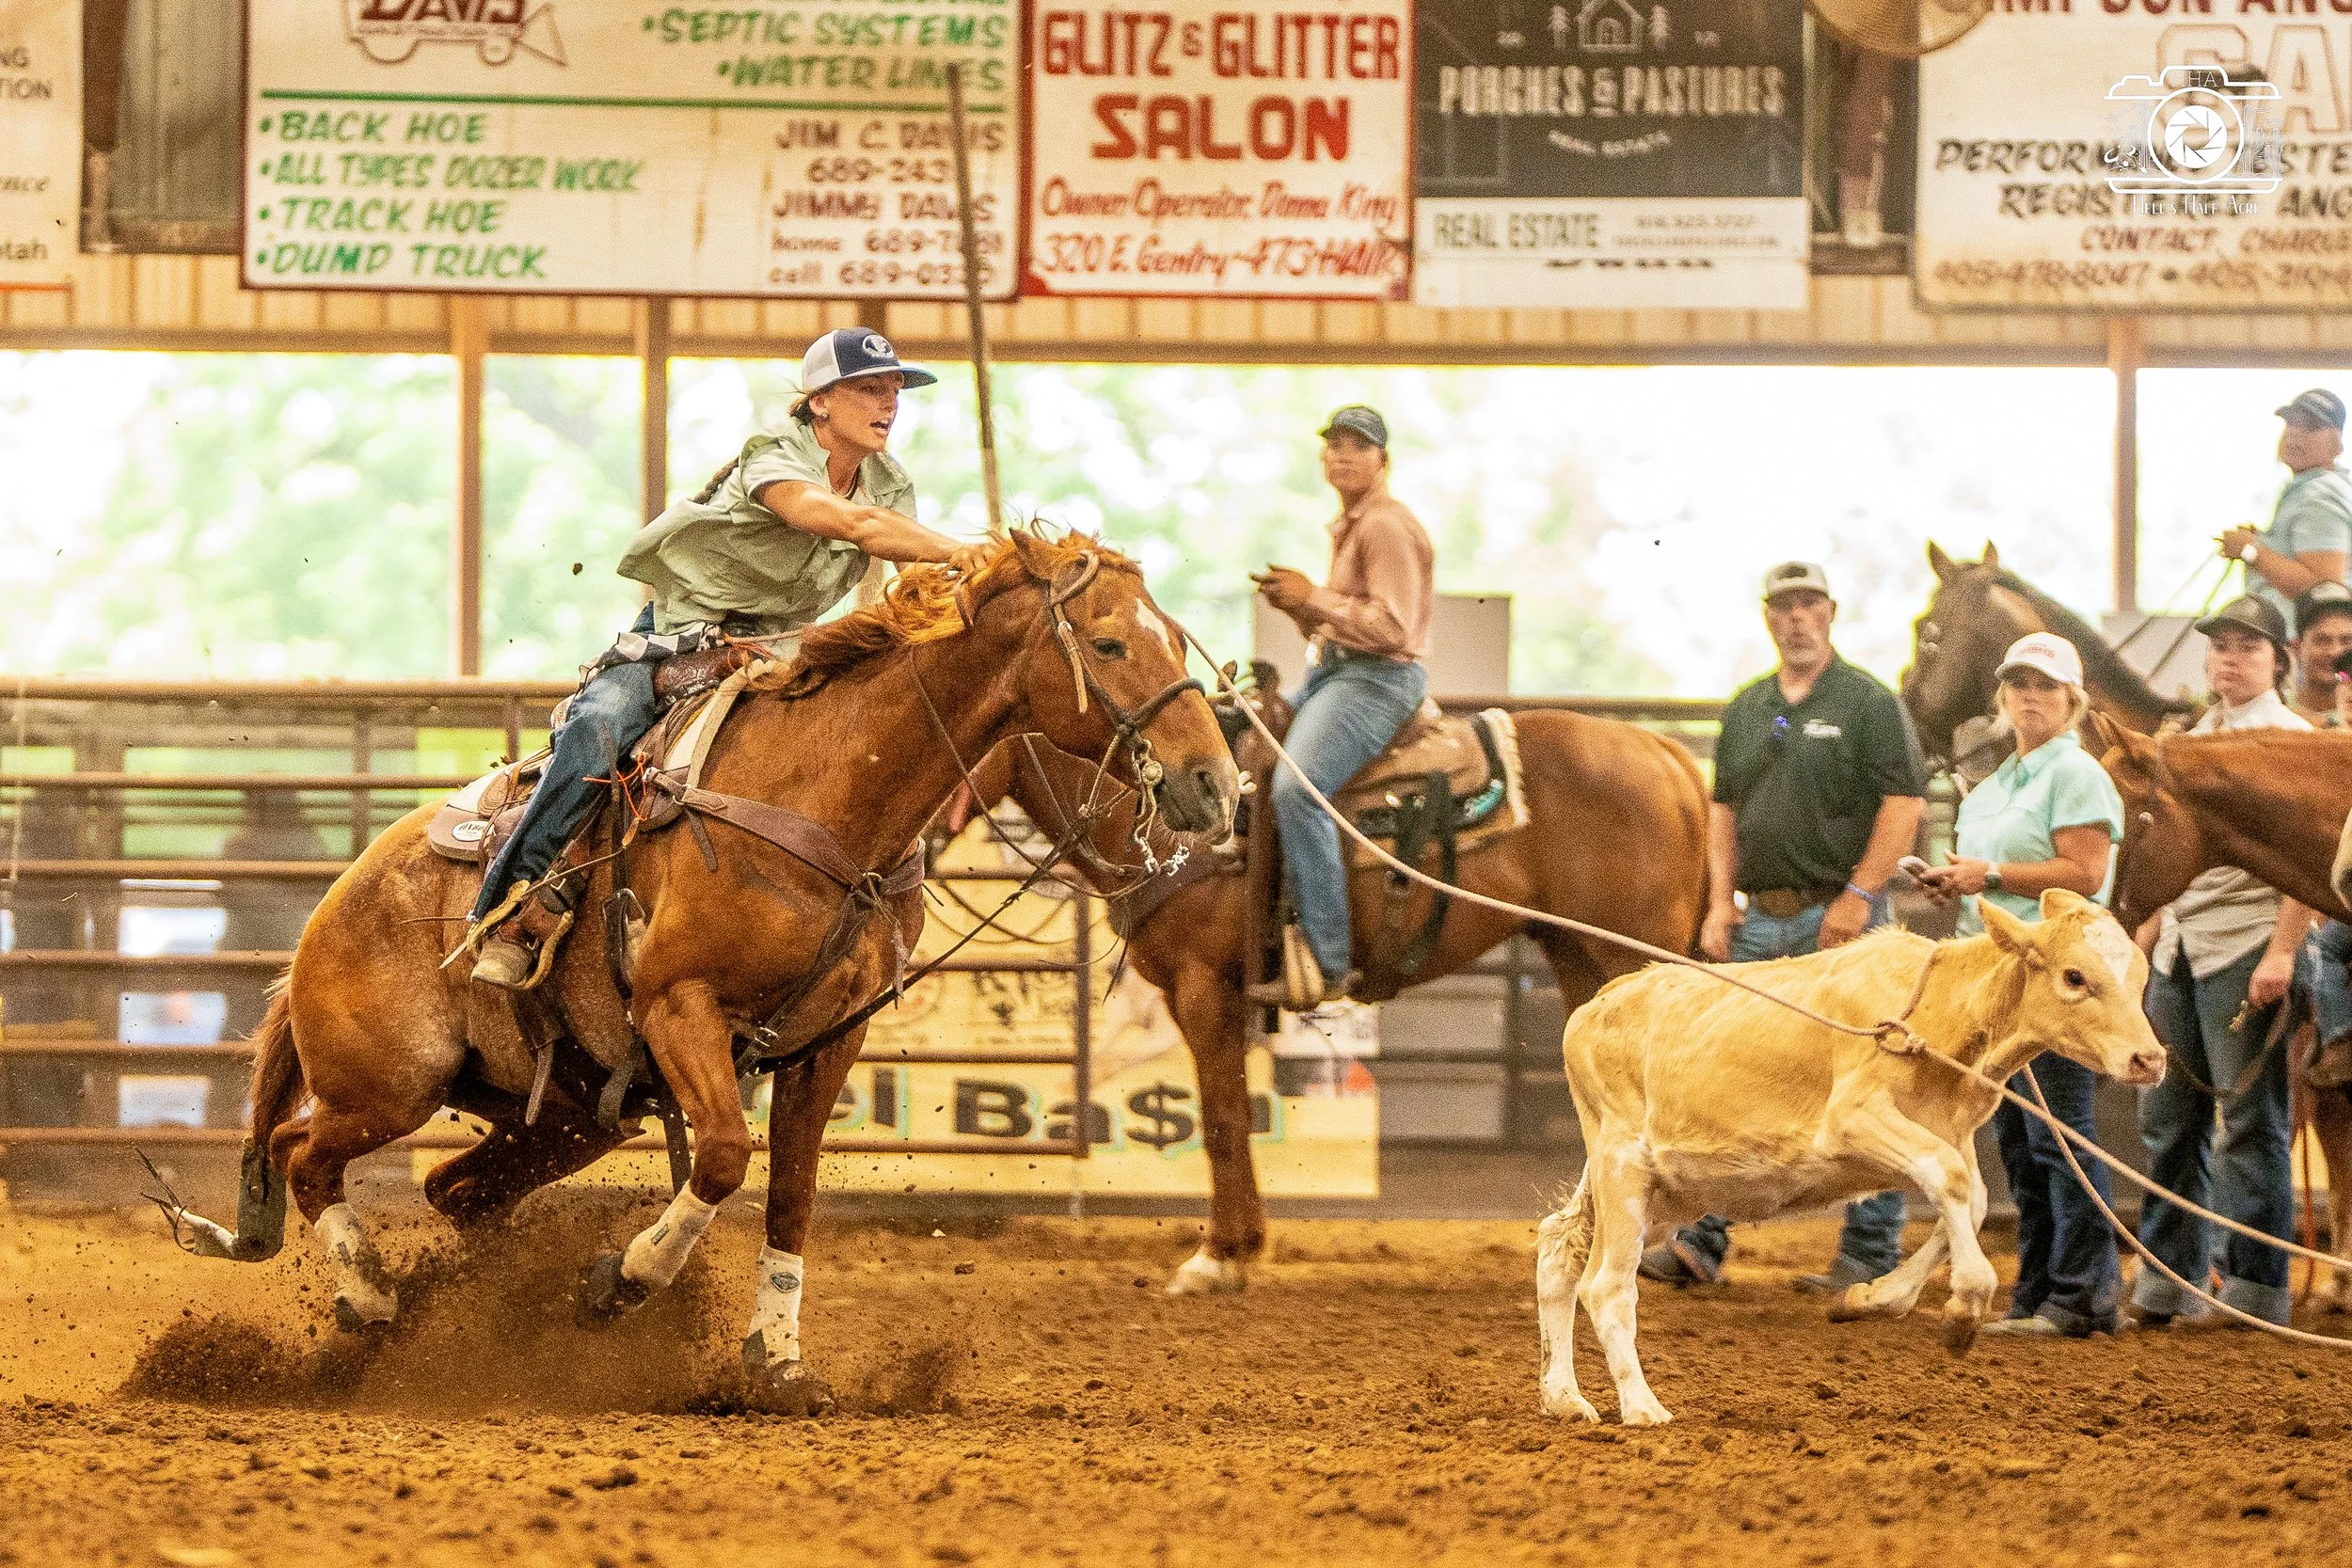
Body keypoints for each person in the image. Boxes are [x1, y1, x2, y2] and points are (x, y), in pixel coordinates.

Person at [460, 328, 976, 989]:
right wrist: (972, 553)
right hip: (686, 631)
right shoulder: (772, 457)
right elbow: (855, 527)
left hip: (788, 642)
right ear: (820, 402)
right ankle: (515, 904)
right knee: (600, 724)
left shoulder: (888, 482)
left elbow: (887, 576)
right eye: (870, 388)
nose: (889, 402)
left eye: (895, 389)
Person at [1640, 562, 1929, 1291]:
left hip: (1840, 912)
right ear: (1768, 617)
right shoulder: (1747, 707)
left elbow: (1904, 803)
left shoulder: (1867, 702)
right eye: (1783, 606)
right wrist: (1718, 901)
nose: (1796, 617)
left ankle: (1868, 1250)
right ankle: (1702, 1237)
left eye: (1808, 604)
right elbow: (1724, 810)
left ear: (1830, 611)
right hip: (1760, 917)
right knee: (1734, 1074)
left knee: (1872, 1078)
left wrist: (1860, 894)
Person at [1916, 633, 2127, 1337]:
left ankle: (2082, 1295)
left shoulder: (2076, 773)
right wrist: (1959, 881)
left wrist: (1992, 877)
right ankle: (2039, 1291)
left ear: (2072, 700)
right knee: (2019, 1142)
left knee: (2060, 1134)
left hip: (2056, 981)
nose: (2030, 697)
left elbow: (2086, 873)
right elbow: (1990, 872)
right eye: (2019, 684)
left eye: (2045, 686)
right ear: (2002, 695)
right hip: (2000, 978)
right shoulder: (2000, 779)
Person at [2133, 594, 2312, 1328]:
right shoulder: (2189, 736)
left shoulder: (2293, 740)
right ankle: (2168, 1273)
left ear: (2278, 660)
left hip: (2246, 940)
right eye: (2220, 646)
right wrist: (2146, 931)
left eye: (2247, 646)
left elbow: (2308, 862)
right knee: (2167, 1115)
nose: (2229, 658)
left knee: (2247, 1119)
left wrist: (2283, 948)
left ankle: (2256, 1283)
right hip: (2180, 940)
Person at [1247, 404, 1435, 1008]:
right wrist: (1300, 607)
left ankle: (1328, 960)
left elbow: (1392, 628)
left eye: (1357, 446)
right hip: (1340, 672)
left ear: (1383, 460)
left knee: (1297, 790)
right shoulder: (1356, 523)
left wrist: (1314, 598)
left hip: (1377, 679)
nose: (1341, 456)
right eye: (1333, 446)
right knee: (1245, 738)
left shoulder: (1384, 525)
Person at [2219, 388, 2352, 634]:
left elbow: (2324, 589)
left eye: (2310, 426)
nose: (2294, 434)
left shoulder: (2319, 495)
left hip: (2303, 648)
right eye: (2291, 423)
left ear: (2336, 443)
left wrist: (2251, 550)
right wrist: (2264, 542)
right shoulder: (2319, 486)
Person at [2289, 579, 2352, 720]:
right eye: (2322, 640)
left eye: (2346, 641)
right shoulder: (2275, 714)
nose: (2335, 652)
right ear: (2297, 648)